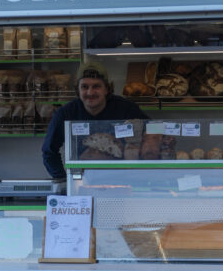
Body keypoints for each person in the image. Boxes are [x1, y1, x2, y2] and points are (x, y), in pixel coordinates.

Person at [42, 61, 149, 191]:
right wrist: (66, 182)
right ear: (78, 89)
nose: (90, 92)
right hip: (82, 185)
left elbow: (152, 132)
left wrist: (142, 176)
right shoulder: (66, 113)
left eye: (96, 86)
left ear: (107, 89)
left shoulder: (126, 109)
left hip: (123, 184)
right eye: (84, 87)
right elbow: (49, 151)